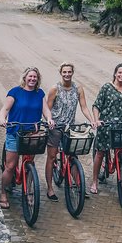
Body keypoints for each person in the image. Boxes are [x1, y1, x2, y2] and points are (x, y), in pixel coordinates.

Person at [0, 67, 54, 209]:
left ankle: (28, 192)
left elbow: (45, 110)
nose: (32, 79)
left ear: (38, 79)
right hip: (15, 132)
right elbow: (5, 109)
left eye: (35, 77)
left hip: (32, 134)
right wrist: (2, 119)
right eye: (30, 76)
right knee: (10, 166)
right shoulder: (15, 92)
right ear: (25, 78)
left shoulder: (39, 93)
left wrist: (49, 119)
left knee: (30, 164)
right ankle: (3, 192)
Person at [44, 62, 95, 201]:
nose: (67, 74)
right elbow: (47, 109)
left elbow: (84, 107)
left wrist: (91, 120)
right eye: (64, 72)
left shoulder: (78, 88)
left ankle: (80, 185)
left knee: (73, 155)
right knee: (52, 156)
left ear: (73, 72)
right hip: (55, 127)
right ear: (60, 73)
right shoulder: (55, 89)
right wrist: (50, 121)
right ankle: (50, 188)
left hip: (70, 127)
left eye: (69, 72)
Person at [90, 63, 122, 194]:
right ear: (115, 73)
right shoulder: (106, 88)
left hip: (120, 126)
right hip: (105, 125)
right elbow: (96, 106)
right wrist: (97, 120)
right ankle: (95, 181)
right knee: (100, 153)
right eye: (119, 73)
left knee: (120, 153)